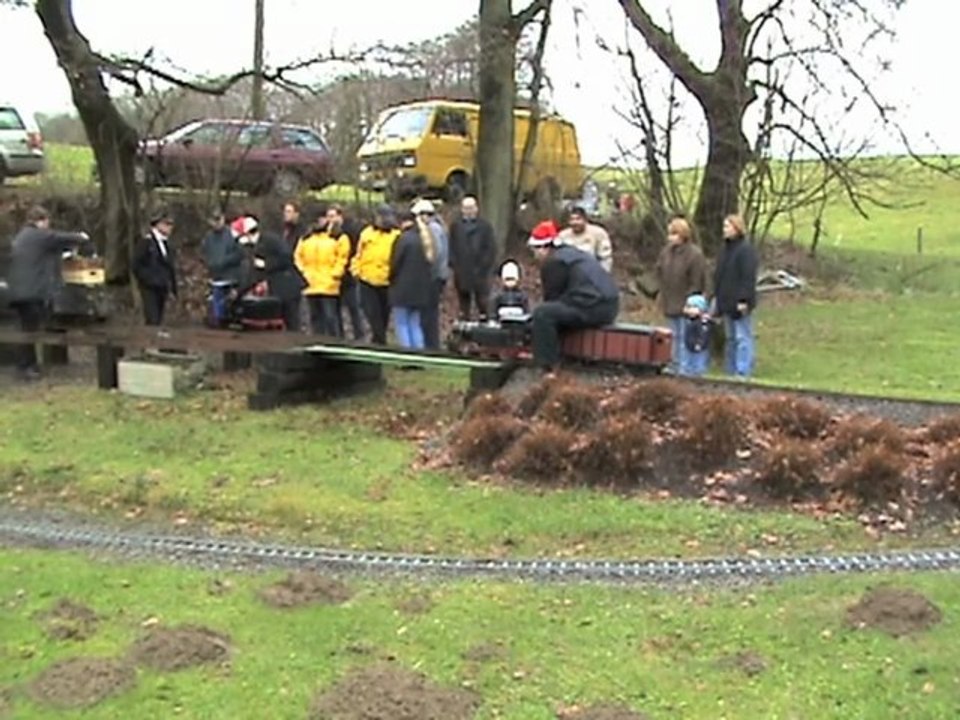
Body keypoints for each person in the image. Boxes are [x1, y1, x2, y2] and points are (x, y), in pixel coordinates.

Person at [6, 205, 91, 380]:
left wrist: (64, 255)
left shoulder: (23, 236)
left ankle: (29, 365)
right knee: (30, 330)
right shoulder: (38, 235)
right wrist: (81, 237)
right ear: (41, 221)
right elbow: (58, 238)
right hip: (31, 292)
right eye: (47, 222)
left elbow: (46, 253)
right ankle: (26, 368)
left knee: (27, 328)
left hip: (20, 290)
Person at [527, 220, 619, 371]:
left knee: (543, 314)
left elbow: (552, 297)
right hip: (609, 304)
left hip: (592, 306)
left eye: (535, 250)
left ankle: (548, 366)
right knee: (557, 310)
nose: (535, 255)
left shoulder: (554, 262)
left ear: (544, 248)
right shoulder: (573, 254)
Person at [654, 216, 708, 374]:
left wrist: (691, 303)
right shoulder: (666, 252)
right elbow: (659, 272)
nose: (670, 238)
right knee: (673, 337)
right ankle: (674, 364)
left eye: (674, 234)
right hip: (670, 300)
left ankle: (687, 369)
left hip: (687, 304)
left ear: (683, 234)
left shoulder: (694, 255)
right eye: (670, 234)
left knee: (686, 338)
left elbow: (697, 281)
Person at [235, 215, 307, 332]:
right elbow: (254, 274)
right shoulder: (253, 247)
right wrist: (240, 293)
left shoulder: (271, 240)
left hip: (289, 285)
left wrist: (267, 264)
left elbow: (287, 257)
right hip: (277, 288)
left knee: (293, 321)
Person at [712, 213, 759, 377]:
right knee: (730, 339)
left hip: (739, 301)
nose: (724, 230)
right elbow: (719, 276)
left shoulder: (745, 250)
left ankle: (743, 370)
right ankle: (730, 370)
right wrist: (717, 299)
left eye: (727, 226)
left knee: (742, 337)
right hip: (725, 300)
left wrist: (744, 299)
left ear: (737, 228)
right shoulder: (725, 250)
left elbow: (748, 277)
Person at [294, 206, 351, 337]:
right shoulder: (306, 238)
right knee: (314, 317)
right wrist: (303, 273)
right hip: (310, 283)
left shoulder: (338, 237)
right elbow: (298, 256)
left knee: (331, 317)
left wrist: (335, 274)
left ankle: (335, 343)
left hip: (328, 284)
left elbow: (342, 258)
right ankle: (318, 341)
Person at [351, 204, 400, 345]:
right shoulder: (367, 233)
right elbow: (358, 254)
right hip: (367, 280)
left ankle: (380, 340)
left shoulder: (396, 235)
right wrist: (356, 270)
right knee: (372, 314)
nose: (383, 220)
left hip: (387, 281)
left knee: (384, 315)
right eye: (380, 216)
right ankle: (379, 341)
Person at [389, 210, 435, 350]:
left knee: (402, 323)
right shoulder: (424, 239)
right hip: (420, 290)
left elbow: (395, 264)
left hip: (403, 289)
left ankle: (407, 356)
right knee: (415, 323)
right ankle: (419, 354)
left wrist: (390, 278)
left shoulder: (403, 239)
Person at [448, 195, 496, 321]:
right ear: (462, 209)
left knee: (483, 301)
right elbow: (451, 246)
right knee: (464, 302)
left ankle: (484, 323)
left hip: (480, 271)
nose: (469, 211)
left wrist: (484, 265)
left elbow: (490, 248)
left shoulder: (485, 226)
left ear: (476, 208)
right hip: (461, 270)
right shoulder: (455, 226)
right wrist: (454, 265)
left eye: (471, 208)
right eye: (466, 208)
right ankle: (465, 324)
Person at [412, 198, 449, 349]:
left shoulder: (433, 229)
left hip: (433, 278)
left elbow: (436, 254)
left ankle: (431, 345)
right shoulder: (438, 227)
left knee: (429, 314)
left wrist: (427, 272)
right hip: (437, 276)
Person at [133, 209, 178, 326]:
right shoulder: (146, 242)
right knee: (152, 318)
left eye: (171, 224)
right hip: (149, 287)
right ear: (158, 224)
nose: (170, 228)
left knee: (158, 318)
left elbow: (170, 267)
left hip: (162, 286)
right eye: (167, 224)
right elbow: (136, 264)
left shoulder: (167, 244)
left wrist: (173, 288)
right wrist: (148, 279)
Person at [558, 205, 613, 272]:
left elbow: (605, 258)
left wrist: (602, 275)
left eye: (578, 219)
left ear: (585, 220)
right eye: (572, 219)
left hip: (592, 272)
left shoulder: (598, 233)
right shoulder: (563, 235)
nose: (575, 222)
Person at [338, 207, 366, 341]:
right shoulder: (330, 232)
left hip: (349, 276)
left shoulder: (350, 231)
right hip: (338, 276)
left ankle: (359, 334)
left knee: (353, 308)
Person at [201, 209, 245, 284]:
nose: (217, 223)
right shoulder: (208, 237)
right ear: (209, 221)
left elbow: (240, 254)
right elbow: (205, 255)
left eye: (219, 219)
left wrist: (224, 261)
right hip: (215, 279)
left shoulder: (233, 233)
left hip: (231, 279)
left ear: (223, 219)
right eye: (214, 220)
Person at [681, 292, 712, 377]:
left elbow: (703, 334)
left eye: (693, 307)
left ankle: (698, 373)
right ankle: (686, 372)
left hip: (699, 347)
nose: (690, 310)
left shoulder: (702, 322)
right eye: (688, 307)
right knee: (687, 363)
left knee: (698, 363)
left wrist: (700, 343)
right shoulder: (688, 320)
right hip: (688, 345)